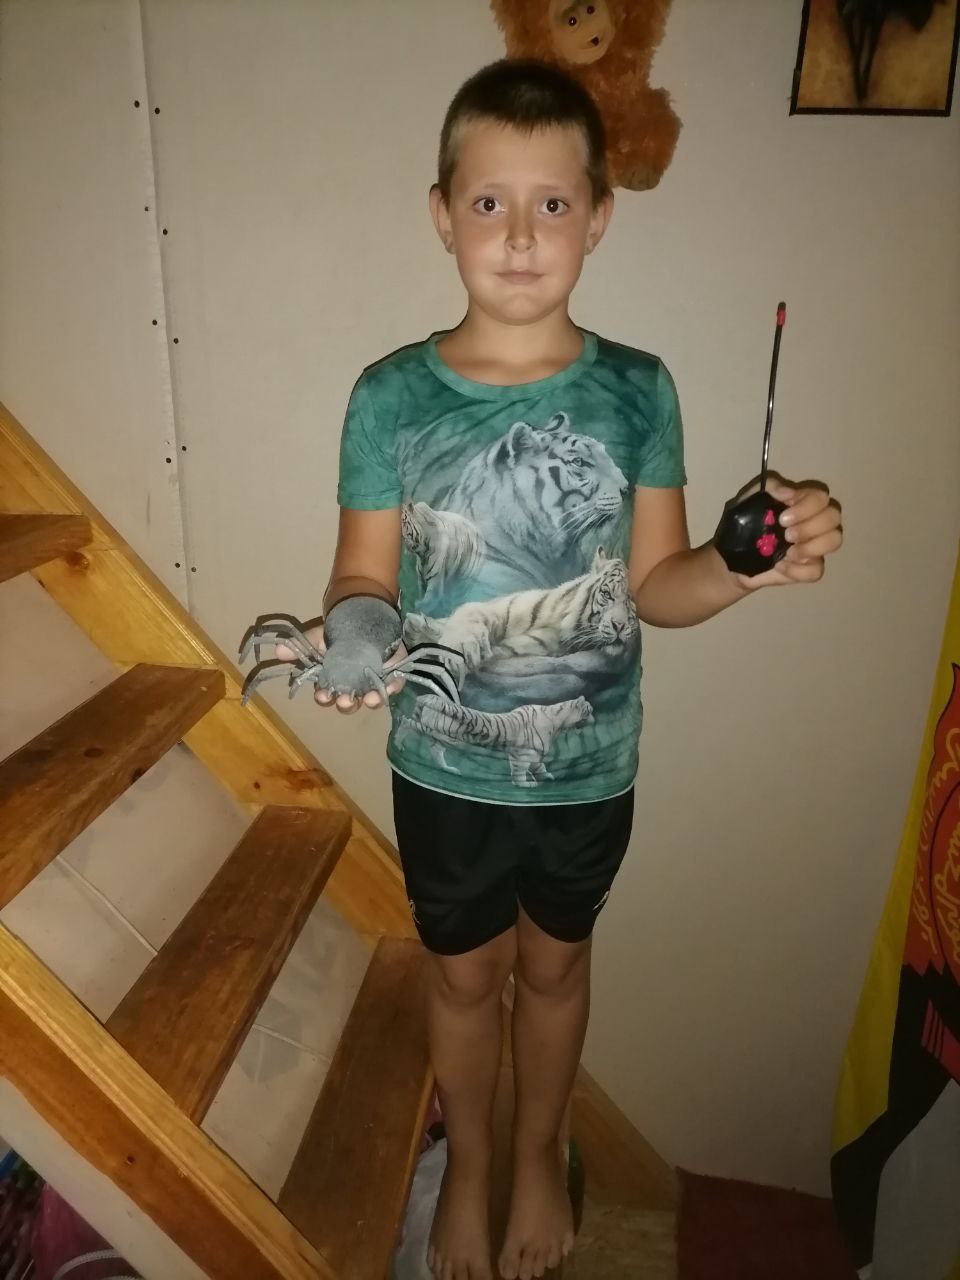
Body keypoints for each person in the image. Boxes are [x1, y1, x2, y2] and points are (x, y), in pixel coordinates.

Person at [267, 59, 843, 1280]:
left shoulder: (639, 390)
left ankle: (539, 1149)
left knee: (558, 965)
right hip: (443, 772)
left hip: (588, 769)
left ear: (599, 216)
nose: (521, 235)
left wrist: (740, 568)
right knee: (462, 979)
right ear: (442, 214)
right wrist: (357, 632)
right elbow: (362, 574)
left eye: (551, 203)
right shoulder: (388, 396)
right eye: (489, 202)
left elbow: (656, 585)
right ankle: (474, 1162)